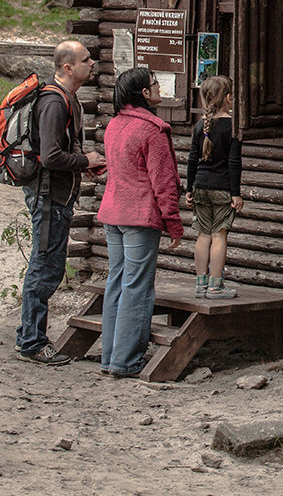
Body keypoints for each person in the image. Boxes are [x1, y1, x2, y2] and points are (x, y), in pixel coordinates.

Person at [16, 40, 105, 365]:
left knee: (48, 264)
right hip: (48, 196)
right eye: (85, 59)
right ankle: (32, 343)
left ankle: (28, 336)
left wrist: (84, 166)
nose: (92, 63)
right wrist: (85, 160)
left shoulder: (66, 98)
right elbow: (52, 156)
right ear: (67, 67)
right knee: (45, 266)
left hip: (55, 194)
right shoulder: (54, 102)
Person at [96, 67, 184, 377]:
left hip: (112, 214)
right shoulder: (153, 130)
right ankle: (127, 360)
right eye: (155, 84)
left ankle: (110, 357)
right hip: (140, 216)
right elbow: (164, 182)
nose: (159, 87)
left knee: (117, 283)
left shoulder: (114, 125)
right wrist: (173, 222)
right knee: (137, 287)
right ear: (145, 94)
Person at [186, 75, 242, 299]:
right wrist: (236, 193)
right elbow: (234, 163)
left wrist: (189, 189)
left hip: (201, 186)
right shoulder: (233, 127)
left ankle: (200, 283)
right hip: (222, 188)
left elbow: (192, 159)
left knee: (203, 235)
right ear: (229, 98)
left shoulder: (201, 125)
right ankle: (215, 286)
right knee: (219, 236)